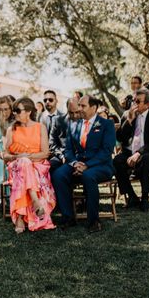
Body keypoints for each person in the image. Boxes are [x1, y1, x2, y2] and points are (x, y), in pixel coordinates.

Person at [51, 95, 116, 233]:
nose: (79, 108)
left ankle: (93, 221)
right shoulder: (74, 125)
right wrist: (74, 163)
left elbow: (106, 151)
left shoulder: (106, 124)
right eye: (79, 105)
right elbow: (68, 150)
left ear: (93, 108)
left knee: (88, 175)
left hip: (101, 166)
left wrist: (87, 166)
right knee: (58, 175)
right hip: (78, 164)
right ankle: (68, 217)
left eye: (83, 106)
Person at [4, 97, 56, 233]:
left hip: (38, 165)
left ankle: (20, 217)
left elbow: (45, 153)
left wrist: (28, 157)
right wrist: (18, 157)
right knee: (23, 163)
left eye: (17, 110)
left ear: (28, 111)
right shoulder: (12, 129)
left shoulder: (40, 127)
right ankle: (35, 200)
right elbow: (5, 155)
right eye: (13, 111)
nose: (14, 113)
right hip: (17, 166)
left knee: (25, 163)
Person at [113, 89, 149, 212]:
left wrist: (139, 153)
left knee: (147, 159)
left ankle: (145, 198)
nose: (134, 104)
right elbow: (120, 138)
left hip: (148, 152)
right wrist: (129, 121)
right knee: (116, 161)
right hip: (130, 151)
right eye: (133, 100)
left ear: (147, 104)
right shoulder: (127, 115)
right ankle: (132, 196)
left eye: (138, 101)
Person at [48, 97, 81, 172]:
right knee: (48, 167)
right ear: (67, 109)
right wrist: (61, 156)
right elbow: (52, 143)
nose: (75, 116)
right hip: (62, 156)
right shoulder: (57, 120)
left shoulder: (86, 120)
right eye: (71, 113)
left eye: (77, 112)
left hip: (80, 157)